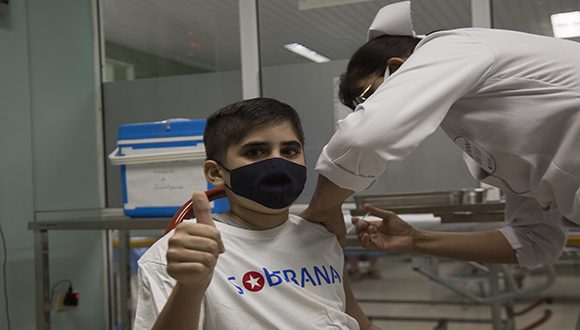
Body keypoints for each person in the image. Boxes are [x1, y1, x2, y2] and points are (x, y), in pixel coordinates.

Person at [301, 1, 579, 268]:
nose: (371, 110)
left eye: (369, 98)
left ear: (398, 67)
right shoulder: (484, 127)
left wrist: (321, 209)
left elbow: (365, 138)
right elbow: (536, 242)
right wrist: (415, 240)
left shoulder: (451, 46)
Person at [133, 98, 377, 329]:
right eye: (255, 152)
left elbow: (353, 318)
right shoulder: (181, 254)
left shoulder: (321, 236)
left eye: (290, 151)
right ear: (216, 173)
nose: (277, 162)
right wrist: (190, 288)